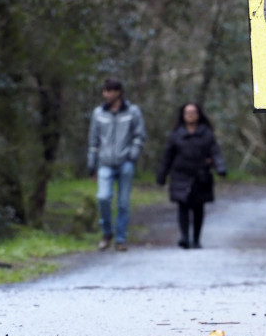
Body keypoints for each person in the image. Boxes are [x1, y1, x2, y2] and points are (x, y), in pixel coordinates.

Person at [156, 103, 227, 249]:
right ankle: (184, 237)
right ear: (182, 115)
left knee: (198, 208)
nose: (190, 115)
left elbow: (215, 152)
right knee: (182, 206)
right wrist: (162, 175)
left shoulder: (206, 134)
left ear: (199, 114)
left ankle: (196, 238)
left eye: (193, 112)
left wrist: (220, 167)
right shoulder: (176, 135)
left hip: (201, 176)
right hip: (180, 175)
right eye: (187, 112)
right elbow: (167, 157)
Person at [87, 78, 147, 251]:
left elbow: (139, 135)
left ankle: (120, 239)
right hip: (105, 163)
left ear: (118, 92)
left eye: (110, 91)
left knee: (123, 203)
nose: (106, 94)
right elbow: (93, 140)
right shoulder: (98, 113)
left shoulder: (132, 112)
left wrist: (133, 155)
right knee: (103, 197)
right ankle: (107, 233)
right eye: (105, 91)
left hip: (125, 163)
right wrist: (91, 165)